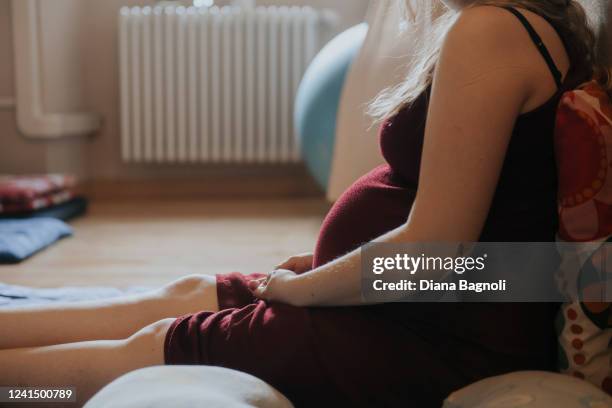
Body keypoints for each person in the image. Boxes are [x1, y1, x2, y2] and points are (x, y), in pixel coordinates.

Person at [1, 0, 609, 406]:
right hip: (445, 301)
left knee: (164, 337)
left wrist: (307, 288)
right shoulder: (528, 23)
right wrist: (322, 270)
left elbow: (437, 251)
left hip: (438, 329)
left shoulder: (493, 30)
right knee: (187, 291)